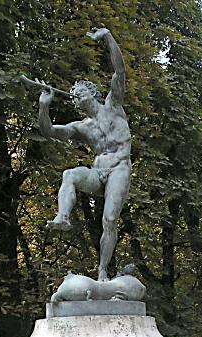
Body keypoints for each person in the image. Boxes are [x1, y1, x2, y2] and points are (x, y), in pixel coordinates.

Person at [35, 28, 131, 281]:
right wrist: (44, 107)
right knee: (70, 174)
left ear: (92, 93)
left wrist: (108, 36)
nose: (76, 97)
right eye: (74, 96)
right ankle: (63, 217)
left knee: (109, 219)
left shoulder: (113, 105)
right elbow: (49, 131)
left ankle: (102, 271)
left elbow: (120, 71)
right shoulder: (81, 126)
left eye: (80, 92)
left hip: (120, 167)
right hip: (98, 171)